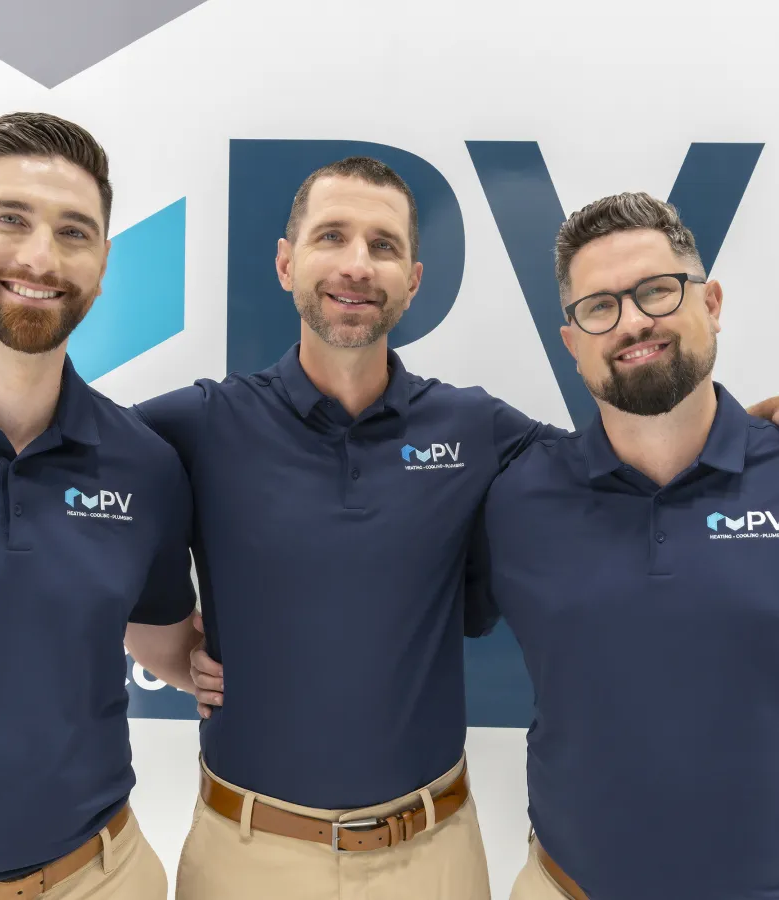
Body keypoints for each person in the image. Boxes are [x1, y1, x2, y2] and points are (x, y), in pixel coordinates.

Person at [125, 156, 569, 900]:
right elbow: (70, 475)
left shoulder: (474, 425)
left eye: (384, 245)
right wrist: (169, 652)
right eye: (333, 236)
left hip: (434, 856)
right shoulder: (200, 422)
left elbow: (615, 468)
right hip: (246, 858)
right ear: (286, 262)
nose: (358, 265)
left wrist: (738, 436)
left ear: (414, 281)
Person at [0, 112, 195, 900]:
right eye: (9, 219)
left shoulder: (142, 462)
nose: (40, 258)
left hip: (99, 877)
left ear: (102, 264)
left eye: (74, 232)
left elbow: (167, 648)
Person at [473, 192, 779, 900]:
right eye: (599, 306)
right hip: (565, 886)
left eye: (657, 291)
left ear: (712, 302)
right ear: (572, 342)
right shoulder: (515, 498)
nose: (634, 321)